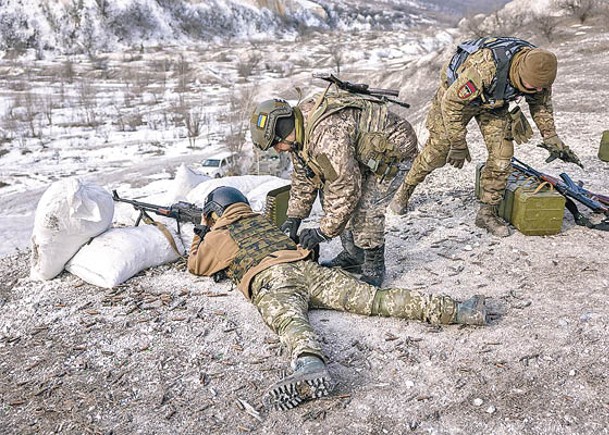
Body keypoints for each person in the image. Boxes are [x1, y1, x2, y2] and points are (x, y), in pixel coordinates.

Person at [187, 186, 489, 411]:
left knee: (291, 322)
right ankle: (460, 309)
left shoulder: (219, 235)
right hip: (308, 269)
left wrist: (200, 234)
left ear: (214, 212)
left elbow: (196, 265)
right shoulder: (263, 222)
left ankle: (309, 365)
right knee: (375, 299)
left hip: (273, 280)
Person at [389, 37, 582, 237]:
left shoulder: (540, 72)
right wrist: (458, 143)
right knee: (438, 152)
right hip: (456, 101)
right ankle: (405, 189)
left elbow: (540, 104)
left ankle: (486, 213)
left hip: (494, 103)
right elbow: (451, 104)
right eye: (533, 86)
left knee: (502, 155)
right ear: (519, 72)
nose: (539, 90)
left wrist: (550, 135)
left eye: (541, 87)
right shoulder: (485, 67)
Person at [249, 87, 419, 286]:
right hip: (361, 153)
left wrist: (322, 232)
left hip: (394, 149)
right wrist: (294, 217)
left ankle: (373, 264)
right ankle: (354, 256)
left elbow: (347, 189)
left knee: (365, 208)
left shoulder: (326, 136)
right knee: (332, 197)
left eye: (275, 144)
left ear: (283, 131)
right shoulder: (299, 135)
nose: (277, 150)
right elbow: (304, 176)